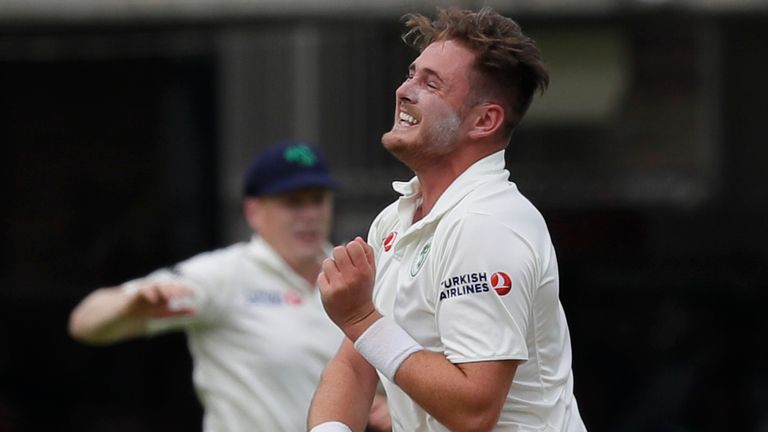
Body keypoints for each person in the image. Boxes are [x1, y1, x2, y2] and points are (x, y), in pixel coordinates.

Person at [308, 7, 587, 432]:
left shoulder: (487, 225)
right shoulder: (396, 219)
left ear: (485, 120)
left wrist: (360, 317)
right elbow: (356, 359)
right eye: (411, 73)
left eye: (431, 83)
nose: (404, 90)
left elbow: (474, 411)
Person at [69, 141, 390, 432]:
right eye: (292, 202)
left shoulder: (356, 274)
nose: (309, 215)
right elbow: (86, 323)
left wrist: (392, 406)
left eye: (317, 200)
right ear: (254, 211)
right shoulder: (225, 275)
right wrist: (129, 305)